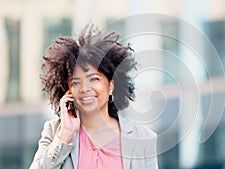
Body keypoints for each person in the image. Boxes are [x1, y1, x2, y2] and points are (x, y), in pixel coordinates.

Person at [29, 24, 158, 169]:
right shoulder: (54, 131)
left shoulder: (143, 138)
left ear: (111, 86)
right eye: (76, 82)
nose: (84, 88)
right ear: (67, 90)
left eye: (94, 79)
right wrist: (66, 134)